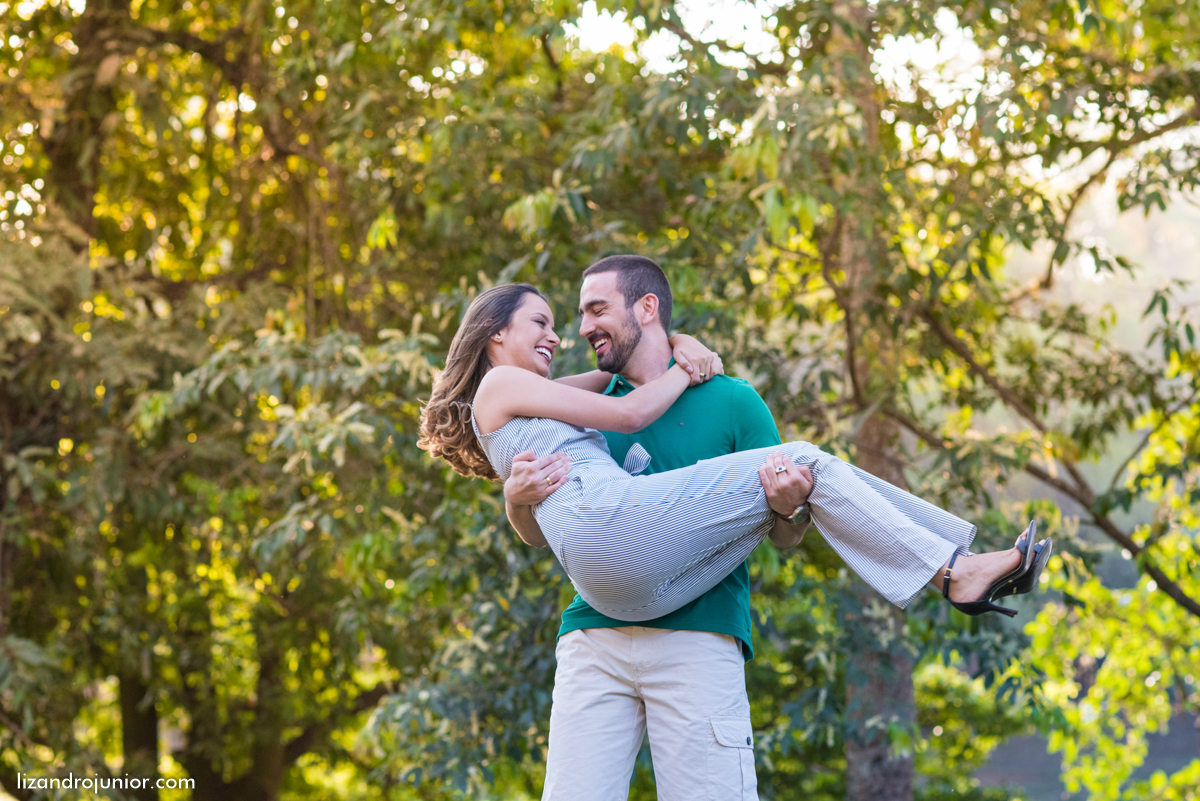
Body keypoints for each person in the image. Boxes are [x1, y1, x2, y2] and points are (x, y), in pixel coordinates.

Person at [416, 277, 1052, 787]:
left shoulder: (548, 395)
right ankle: (953, 571)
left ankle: (954, 565)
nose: (565, 334)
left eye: (586, 313)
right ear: (496, 333)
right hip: (610, 558)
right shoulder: (505, 384)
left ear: (646, 307)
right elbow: (629, 411)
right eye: (544, 322)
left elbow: (775, 530)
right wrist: (681, 369)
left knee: (797, 479)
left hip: (635, 578)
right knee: (808, 458)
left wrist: (682, 346)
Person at [502, 256, 812, 800]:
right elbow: (539, 531)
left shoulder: (734, 402)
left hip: (700, 634)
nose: (582, 327)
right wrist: (515, 502)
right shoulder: (582, 410)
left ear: (646, 308)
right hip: (594, 636)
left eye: (597, 309)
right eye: (581, 313)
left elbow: (783, 533)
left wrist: (791, 510)